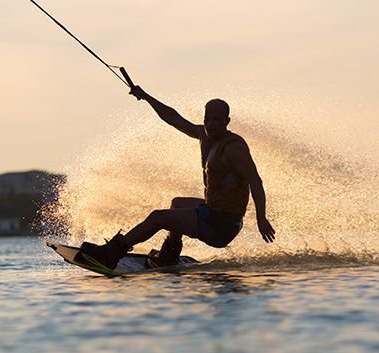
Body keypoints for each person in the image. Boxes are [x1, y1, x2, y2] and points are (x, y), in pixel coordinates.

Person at [79, 85, 275, 269]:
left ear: (227, 121)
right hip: (213, 211)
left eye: (217, 119)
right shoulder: (203, 135)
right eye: (208, 118)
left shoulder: (234, 148)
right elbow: (172, 118)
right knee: (177, 203)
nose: (211, 124)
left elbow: (255, 181)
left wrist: (261, 218)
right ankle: (169, 256)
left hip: (222, 223)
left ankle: (111, 253)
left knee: (158, 217)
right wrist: (146, 97)